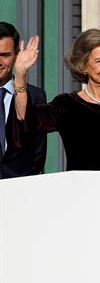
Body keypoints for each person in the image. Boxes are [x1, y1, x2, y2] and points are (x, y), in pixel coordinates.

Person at [11, 29, 100, 171]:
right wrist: (20, 74)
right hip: (84, 189)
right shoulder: (67, 104)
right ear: (83, 65)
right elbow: (25, 118)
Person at [0, 22, 46, 178]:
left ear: (16, 55)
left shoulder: (36, 96)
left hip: (19, 190)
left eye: (4, 55)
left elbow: (38, 153)